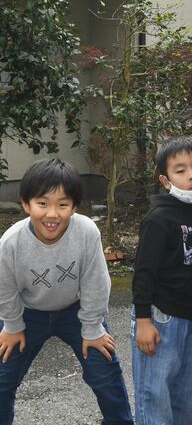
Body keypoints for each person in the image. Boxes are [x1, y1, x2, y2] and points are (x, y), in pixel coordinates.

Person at [0, 158, 133, 425]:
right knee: (3, 378)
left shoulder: (86, 232)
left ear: (74, 207)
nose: (52, 214)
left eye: (62, 205)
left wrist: (93, 328)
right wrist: (12, 325)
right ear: (26, 204)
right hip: (28, 313)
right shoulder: (11, 242)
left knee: (105, 373)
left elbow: (96, 283)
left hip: (77, 310)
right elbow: (5, 288)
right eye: (42, 203)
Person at [131, 137, 192, 425]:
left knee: (184, 396)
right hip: (160, 318)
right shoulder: (158, 218)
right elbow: (143, 272)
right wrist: (143, 320)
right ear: (165, 181)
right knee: (154, 395)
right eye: (180, 170)